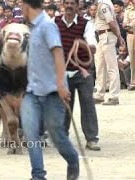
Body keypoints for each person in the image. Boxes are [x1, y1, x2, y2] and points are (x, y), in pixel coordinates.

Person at [20, 0, 79, 179]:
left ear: (26, 5)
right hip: (32, 92)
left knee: (57, 136)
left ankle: (73, 160)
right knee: (31, 135)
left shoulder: (47, 25)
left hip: (53, 93)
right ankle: (38, 175)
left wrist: (61, 84)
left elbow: (58, 53)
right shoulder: (30, 28)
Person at [55, 0, 100, 151]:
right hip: (62, 72)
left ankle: (92, 139)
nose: (69, 6)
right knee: (64, 106)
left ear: (77, 6)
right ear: (62, 5)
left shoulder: (86, 24)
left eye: (72, 3)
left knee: (88, 104)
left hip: (82, 71)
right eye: (66, 3)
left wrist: (86, 45)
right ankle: (62, 137)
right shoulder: (54, 22)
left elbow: (93, 45)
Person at [94, 0, 125, 105]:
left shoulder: (104, 5)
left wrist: (119, 36)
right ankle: (99, 94)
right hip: (103, 36)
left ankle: (114, 96)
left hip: (107, 35)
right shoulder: (105, 3)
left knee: (111, 67)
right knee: (100, 66)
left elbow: (111, 22)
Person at [123, 0, 135, 90]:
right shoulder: (128, 9)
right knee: (132, 59)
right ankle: (133, 82)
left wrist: (130, 24)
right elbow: (124, 24)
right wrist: (130, 25)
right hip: (131, 35)